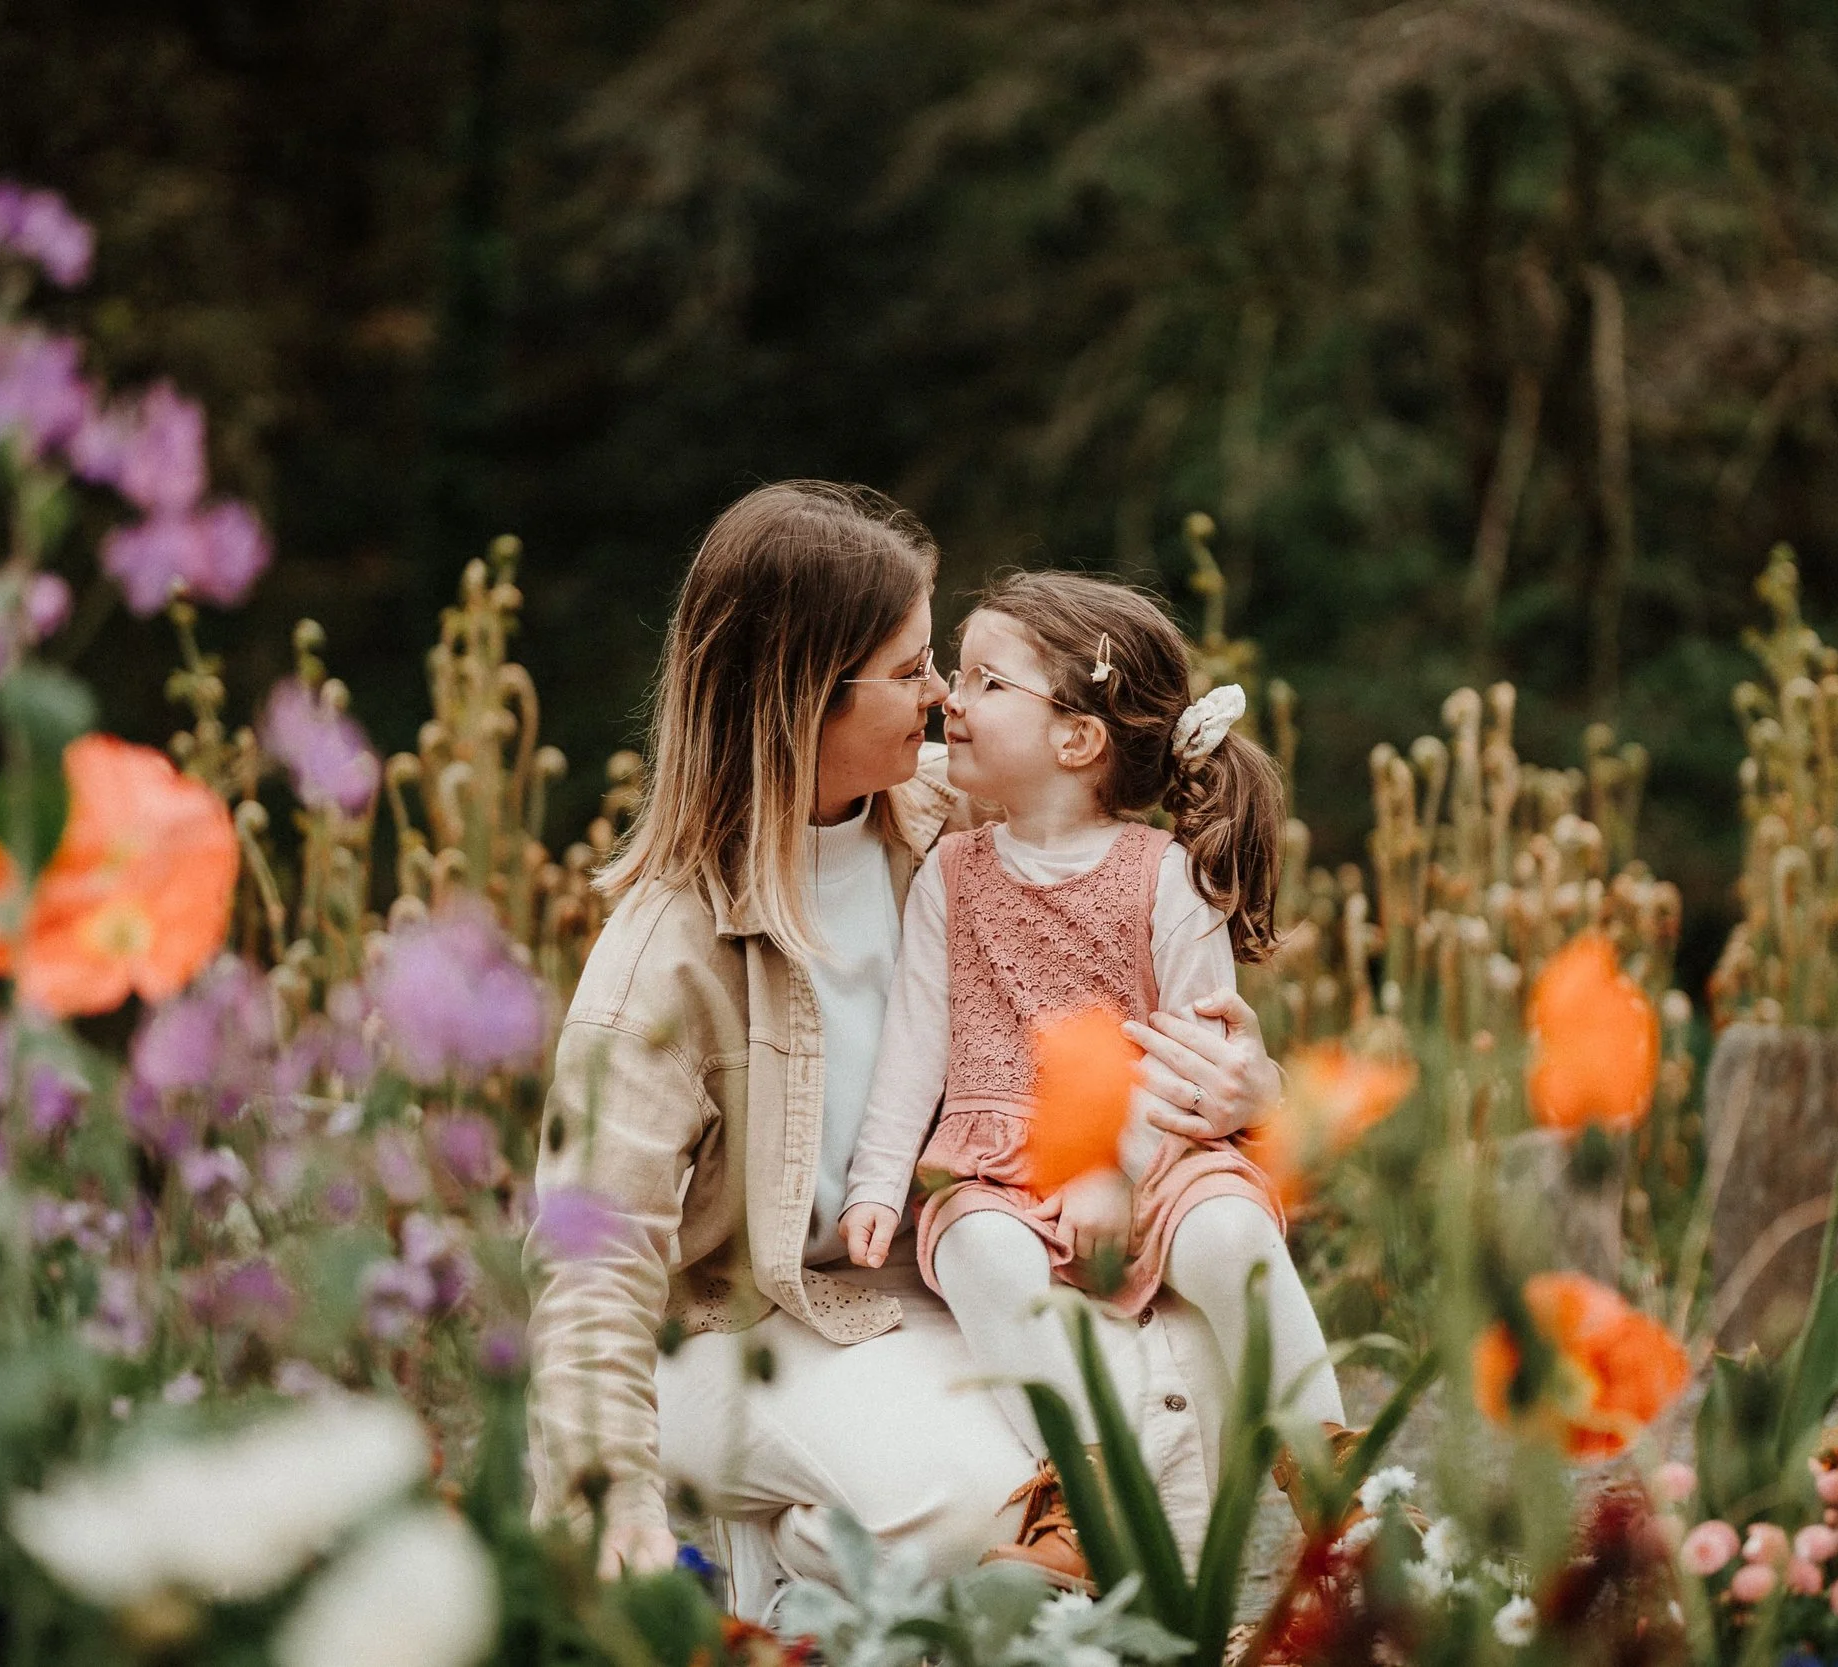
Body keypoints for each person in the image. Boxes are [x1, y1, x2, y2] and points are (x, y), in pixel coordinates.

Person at [523, 483, 1288, 1609]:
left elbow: (1143, 952)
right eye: (909, 669)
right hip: (745, 1328)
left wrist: (1243, 1081)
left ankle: (840, 1553)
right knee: (1017, 1506)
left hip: (951, 1265)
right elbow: (589, 1260)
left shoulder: (955, 822)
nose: (941, 698)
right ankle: (805, 1589)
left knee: (1194, 1383)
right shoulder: (662, 958)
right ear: (801, 698)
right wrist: (609, 1503)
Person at [838, 571, 1345, 1589]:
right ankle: (1078, 1480)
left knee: (1233, 1235)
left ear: (1077, 738)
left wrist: (1115, 1170)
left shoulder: (1168, 874)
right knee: (978, 1249)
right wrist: (875, 1183)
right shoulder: (950, 873)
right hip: (992, 1163)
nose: (950, 699)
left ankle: (1333, 1470)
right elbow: (914, 1047)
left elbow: (1192, 1062)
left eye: (984, 682)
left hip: (1152, 1154)